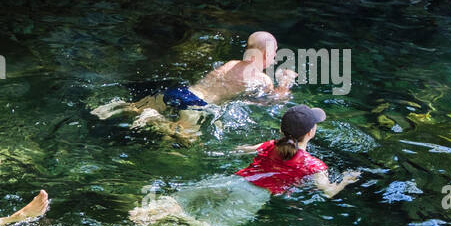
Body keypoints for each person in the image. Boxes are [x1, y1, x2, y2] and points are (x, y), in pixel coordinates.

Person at [128, 105, 361, 226]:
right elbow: (328, 192)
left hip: (233, 180)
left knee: (178, 202)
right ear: (311, 132)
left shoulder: (271, 144)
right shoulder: (315, 165)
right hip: (253, 196)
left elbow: (242, 150)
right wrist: (346, 180)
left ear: (283, 130)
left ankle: (147, 214)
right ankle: (179, 225)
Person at [92, 31, 297, 142]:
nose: (276, 56)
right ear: (267, 53)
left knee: (135, 108)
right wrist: (285, 83)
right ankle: (154, 120)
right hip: (196, 106)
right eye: (275, 51)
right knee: (187, 140)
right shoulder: (262, 80)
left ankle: (119, 107)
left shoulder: (232, 63)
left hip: (182, 92)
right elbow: (273, 102)